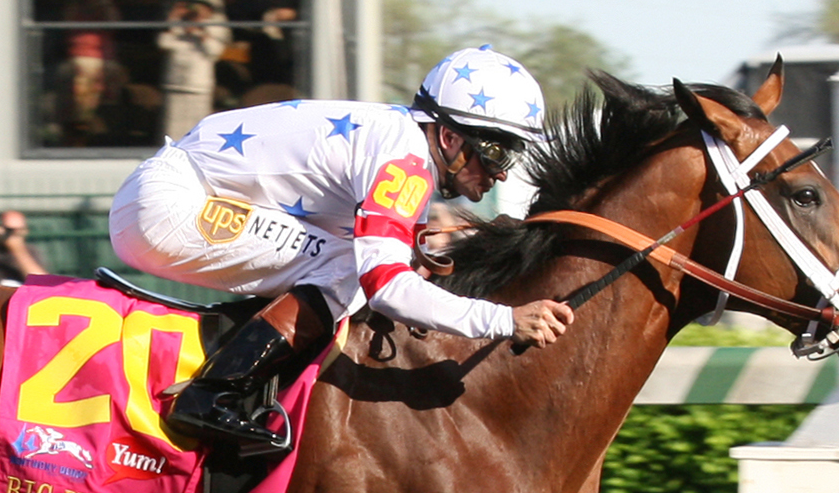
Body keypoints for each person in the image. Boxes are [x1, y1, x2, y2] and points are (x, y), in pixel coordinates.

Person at [108, 44, 574, 449]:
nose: (503, 172)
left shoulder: (399, 139)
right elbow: (387, 288)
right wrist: (505, 320)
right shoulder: (407, 161)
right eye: (497, 152)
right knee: (348, 271)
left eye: (514, 154)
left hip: (171, 193)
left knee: (345, 262)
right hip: (168, 203)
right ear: (449, 137)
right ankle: (210, 394)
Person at [157, 0, 228, 141]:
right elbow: (163, 43)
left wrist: (200, 31)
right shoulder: (176, 26)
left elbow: (215, 51)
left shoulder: (214, 27)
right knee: (172, 131)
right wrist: (174, 20)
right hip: (175, 84)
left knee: (197, 131)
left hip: (199, 86)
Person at [0, 211, 47, 286]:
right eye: (8, 229)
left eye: (17, 230)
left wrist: (17, 248)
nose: (11, 233)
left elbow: (41, 281)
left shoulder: (31, 250)